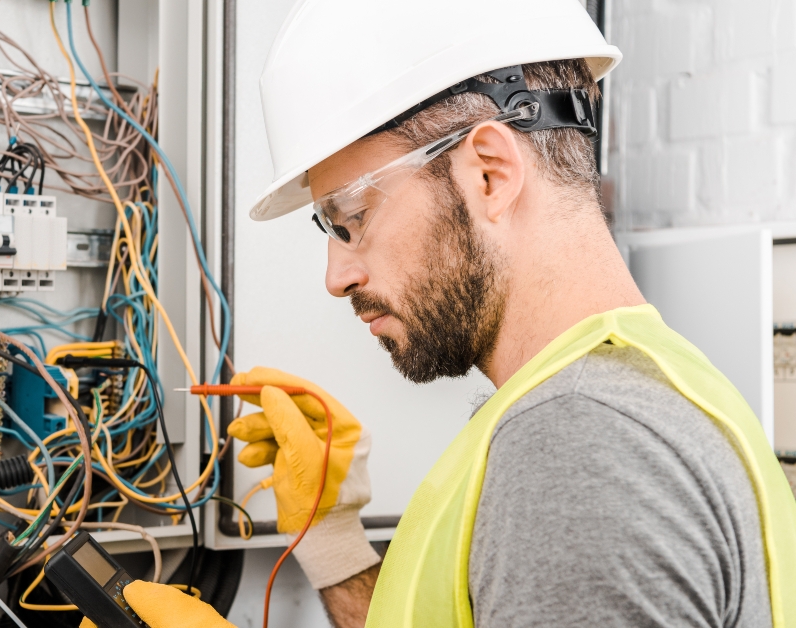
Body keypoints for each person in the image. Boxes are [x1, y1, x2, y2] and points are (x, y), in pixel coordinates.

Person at [80, 0, 796, 626]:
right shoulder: (631, 388)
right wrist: (330, 541)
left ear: (489, 172)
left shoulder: (582, 448)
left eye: (351, 220)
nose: (337, 276)